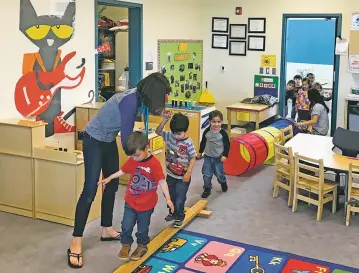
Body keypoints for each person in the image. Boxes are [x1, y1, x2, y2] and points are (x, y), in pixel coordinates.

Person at [67, 72, 171, 269]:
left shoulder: (140, 98)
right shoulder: (129, 101)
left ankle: (106, 228)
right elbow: (127, 143)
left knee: (112, 184)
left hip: (107, 140)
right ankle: (76, 240)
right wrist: (144, 158)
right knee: (90, 190)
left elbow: (134, 124)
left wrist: (161, 115)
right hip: (94, 140)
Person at [100, 131, 174, 261]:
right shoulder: (133, 160)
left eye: (137, 155)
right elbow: (123, 170)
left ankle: (142, 245)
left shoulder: (154, 164)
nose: (134, 158)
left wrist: (168, 198)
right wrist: (110, 177)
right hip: (130, 201)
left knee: (142, 229)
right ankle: (126, 244)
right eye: (132, 156)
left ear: (146, 147)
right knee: (126, 225)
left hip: (146, 205)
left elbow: (162, 181)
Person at [155, 112, 197, 228]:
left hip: (183, 177)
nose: (176, 136)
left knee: (180, 198)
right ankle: (172, 213)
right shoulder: (170, 136)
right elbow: (158, 132)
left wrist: (188, 173)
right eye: (174, 133)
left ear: (185, 130)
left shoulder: (189, 143)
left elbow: (193, 157)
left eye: (179, 133)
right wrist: (165, 120)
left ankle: (179, 216)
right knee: (170, 196)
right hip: (170, 175)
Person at [196, 110, 230, 198]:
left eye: (219, 122)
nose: (216, 124)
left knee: (219, 174)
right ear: (210, 121)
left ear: (221, 122)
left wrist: (225, 155)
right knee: (206, 174)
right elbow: (203, 142)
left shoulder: (223, 133)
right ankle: (207, 188)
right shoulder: (207, 131)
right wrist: (200, 152)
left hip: (218, 158)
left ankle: (223, 182)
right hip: (207, 157)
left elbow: (227, 145)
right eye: (214, 122)